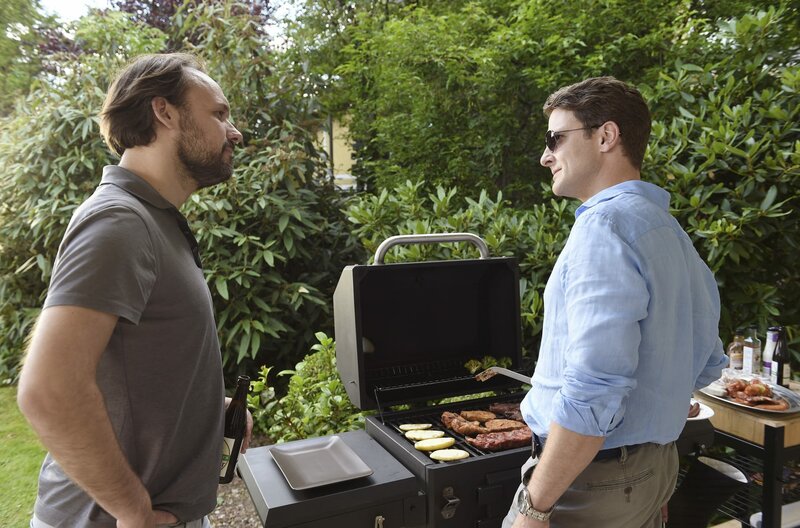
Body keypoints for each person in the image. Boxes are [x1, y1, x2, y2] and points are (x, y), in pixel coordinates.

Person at [17, 52, 252, 528]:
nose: (236, 133)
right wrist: (134, 512)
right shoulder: (120, 221)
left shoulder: (152, 219)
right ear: (164, 112)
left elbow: (134, 366)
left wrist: (211, 408)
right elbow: (49, 389)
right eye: (220, 114)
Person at [502, 76, 728, 528]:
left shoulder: (602, 227)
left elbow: (594, 389)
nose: (546, 156)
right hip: (649, 471)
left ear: (606, 136)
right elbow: (706, 361)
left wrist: (534, 505)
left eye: (555, 139)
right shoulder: (667, 231)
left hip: (588, 484)